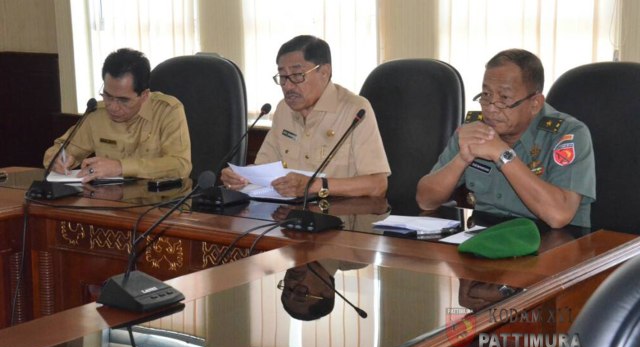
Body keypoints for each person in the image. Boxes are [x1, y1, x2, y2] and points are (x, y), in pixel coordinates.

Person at [416, 49, 595, 229]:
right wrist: (462, 158)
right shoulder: (475, 130)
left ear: (535, 104)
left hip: (556, 245)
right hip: (488, 240)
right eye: (486, 95)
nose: (491, 109)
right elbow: (425, 201)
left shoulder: (567, 135)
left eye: (504, 98)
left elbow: (558, 215)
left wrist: (502, 154)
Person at [221, 35, 390, 198]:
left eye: (297, 75)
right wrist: (240, 177)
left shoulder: (355, 110)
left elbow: (378, 185)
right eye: (282, 76)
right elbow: (263, 168)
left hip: (339, 217)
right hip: (286, 215)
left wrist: (314, 185)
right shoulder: (283, 109)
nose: (287, 86)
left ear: (324, 72)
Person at [43, 48, 192, 183]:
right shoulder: (96, 114)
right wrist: (57, 160)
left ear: (145, 95)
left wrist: (120, 167)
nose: (113, 107)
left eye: (123, 100)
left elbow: (180, 165)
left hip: (156, 204)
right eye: (107, 96)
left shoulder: (168, 111)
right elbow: (60, 150)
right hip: (109, 203)